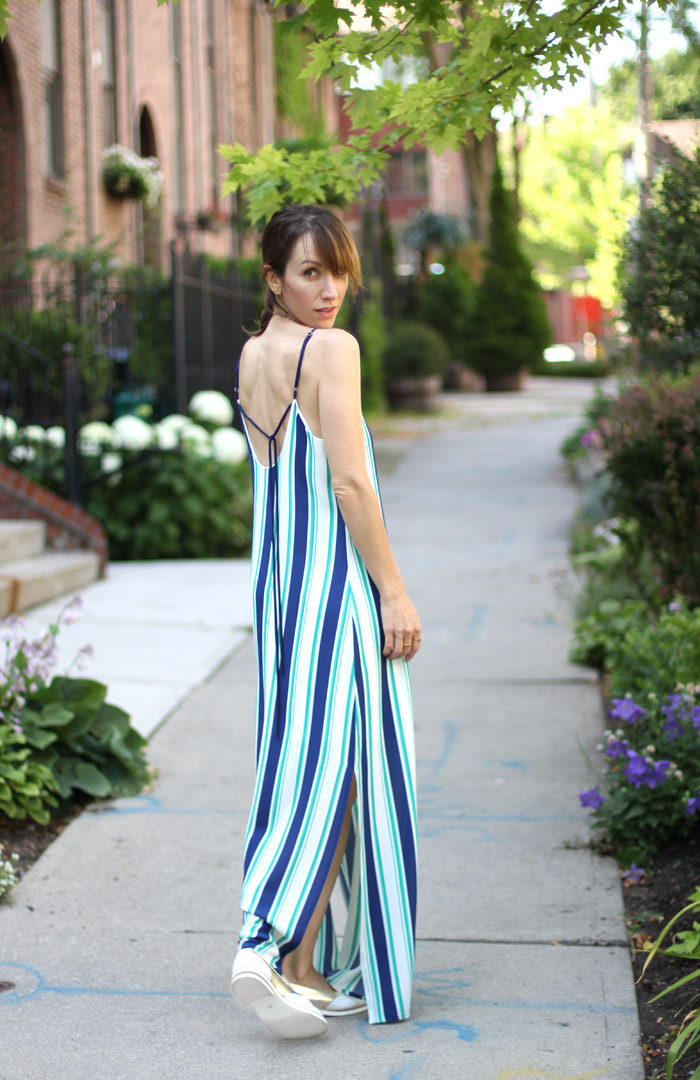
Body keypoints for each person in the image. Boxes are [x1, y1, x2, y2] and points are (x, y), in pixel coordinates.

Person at [230, 204, 420, 1040]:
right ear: (272, 278)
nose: (330, 289)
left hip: (278, 591)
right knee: (343, 766)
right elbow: (348, 486)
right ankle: (265, 945)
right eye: (310, 272)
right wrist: (395, 591)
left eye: (337, 271)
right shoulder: (329, 351)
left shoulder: (251, 354)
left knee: (310, 762)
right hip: (335, 588)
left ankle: (300, 965)